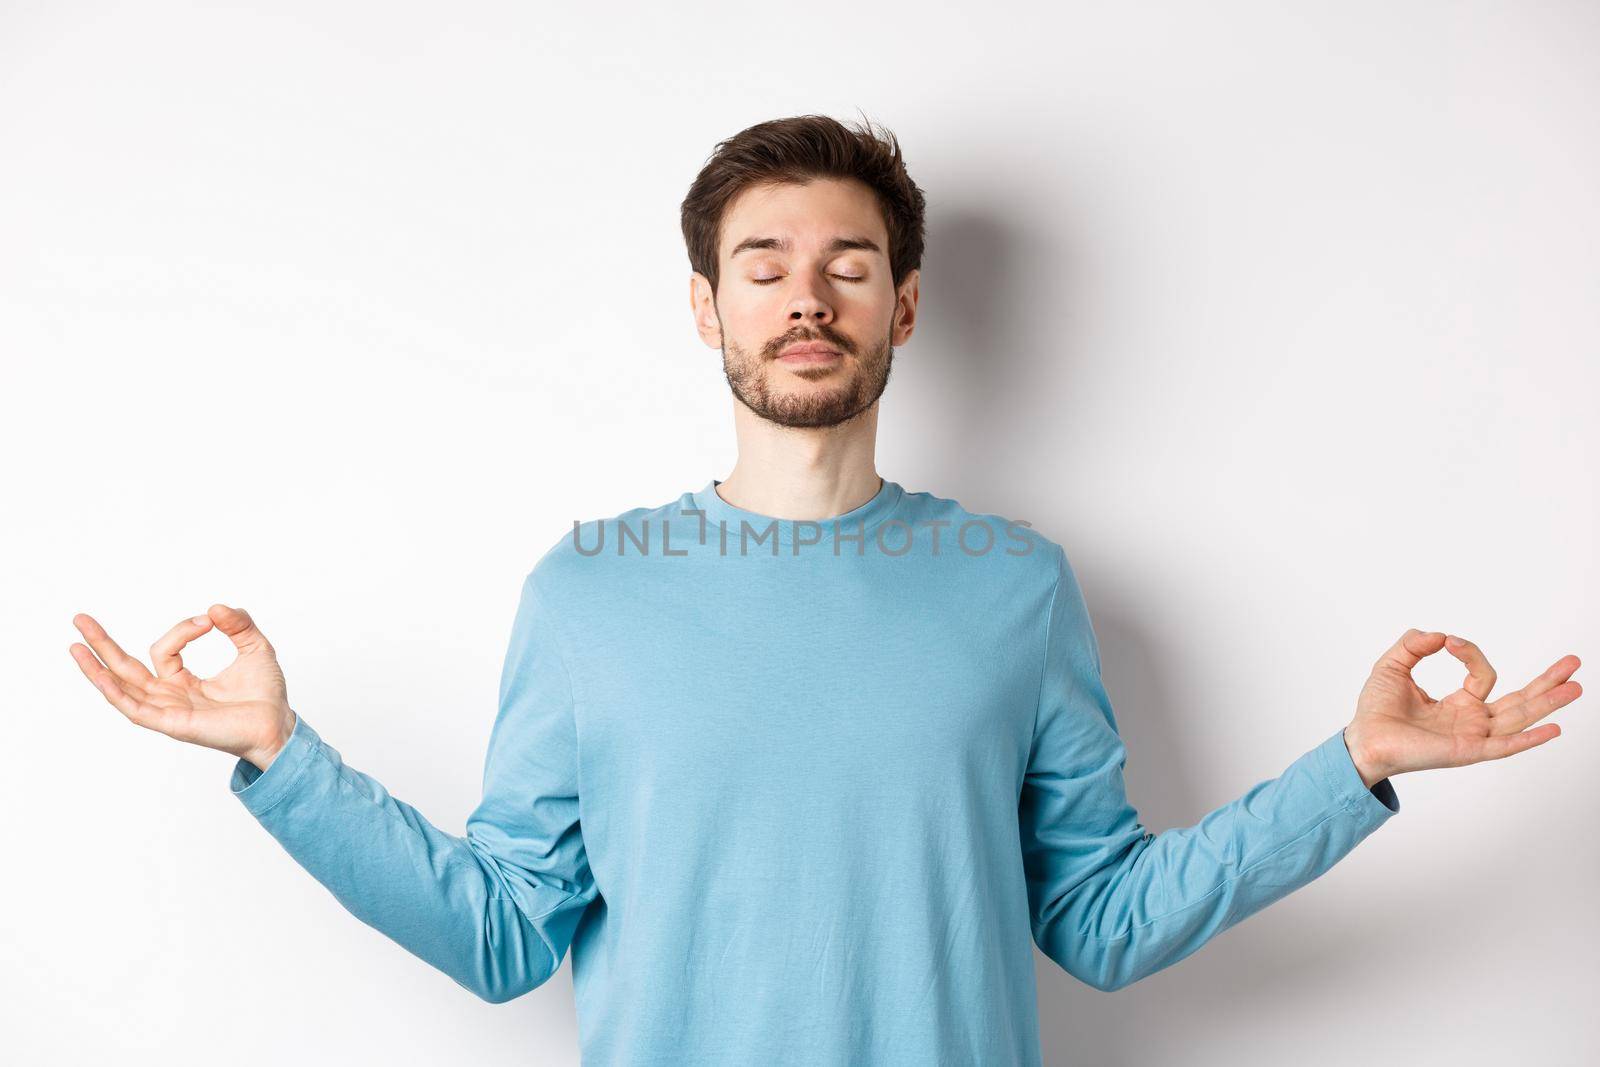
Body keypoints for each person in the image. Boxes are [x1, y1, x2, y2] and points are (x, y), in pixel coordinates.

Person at [68, 114, 1583, 1066]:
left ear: (906, 306)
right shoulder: (592, 591)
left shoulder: (1015, 585)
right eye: (767, 263)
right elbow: (505, 934)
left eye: (850, 265)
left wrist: (1358, 769)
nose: (807, 294)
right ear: (705, 307)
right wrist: (282, 759)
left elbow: (1105, 921)